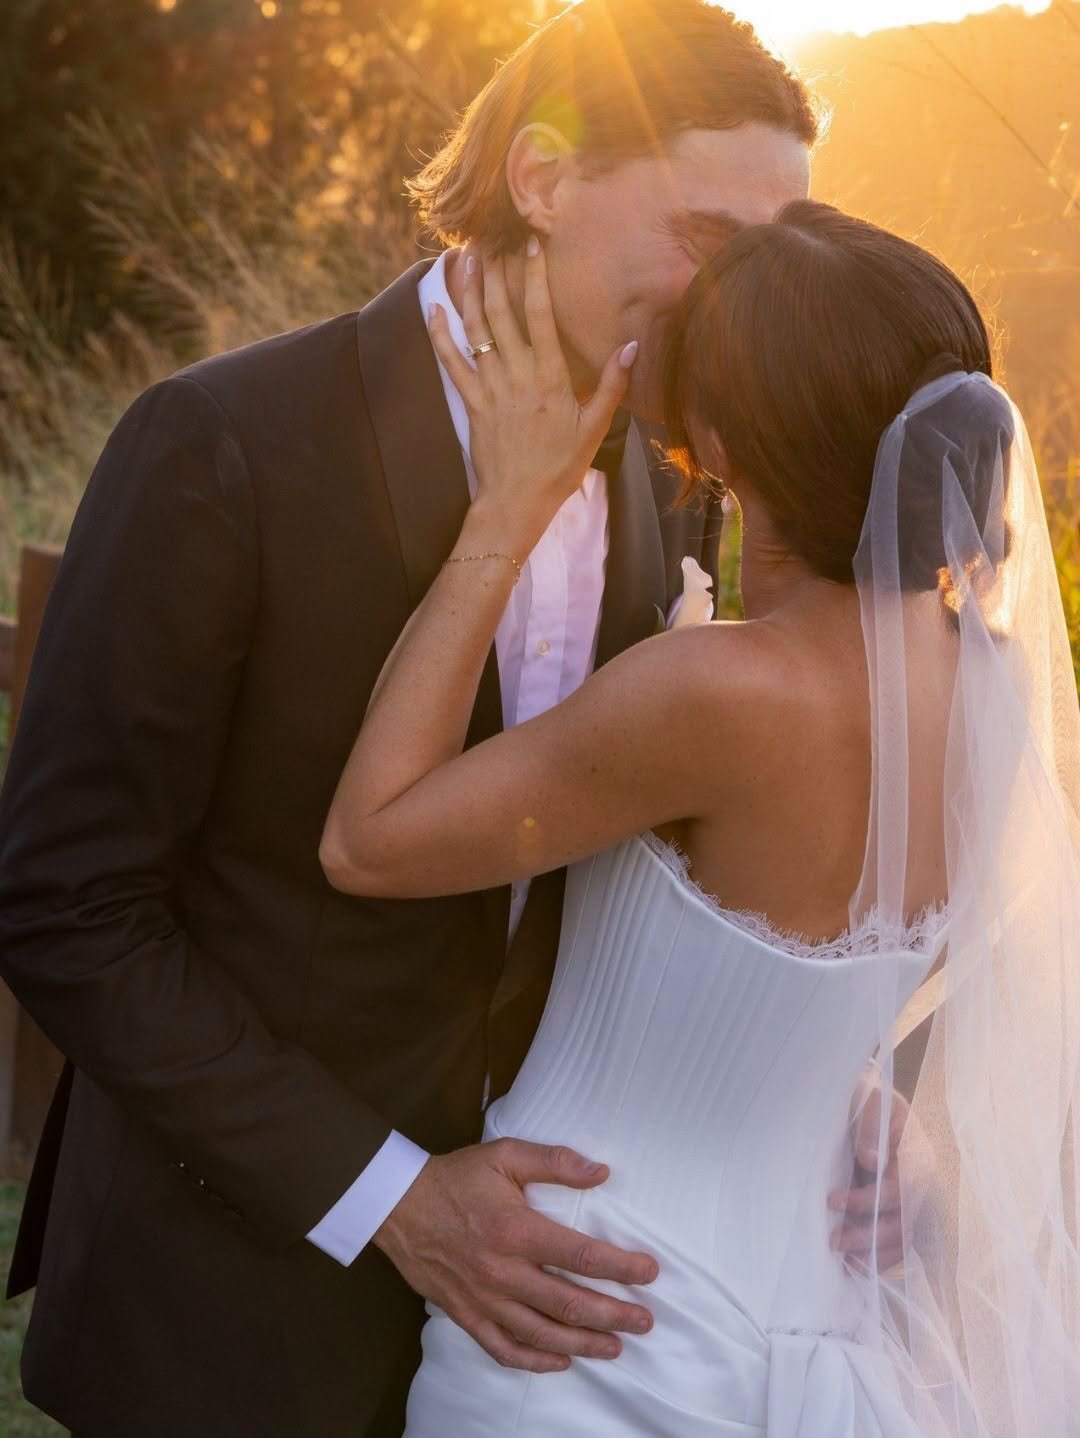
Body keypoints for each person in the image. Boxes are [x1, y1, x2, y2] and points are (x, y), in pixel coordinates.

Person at [0, 4, 906, 1435]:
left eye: (776, 251)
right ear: (542, 182)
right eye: (708, 239)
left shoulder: (684, 469)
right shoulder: (221, 443)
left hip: (560, 1328)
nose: (741, 301)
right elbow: (67, 906)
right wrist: (396, 1196)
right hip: (232, 1308)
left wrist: (823, 1083)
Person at [319, 200, 1080, 1435]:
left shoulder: (724, 688)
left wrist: (502, 521)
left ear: (720, 440)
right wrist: (885, 1119)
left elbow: (370, 840)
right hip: (834, 1340)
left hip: (590, 1326)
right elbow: (829, 987)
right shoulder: (999, 696)